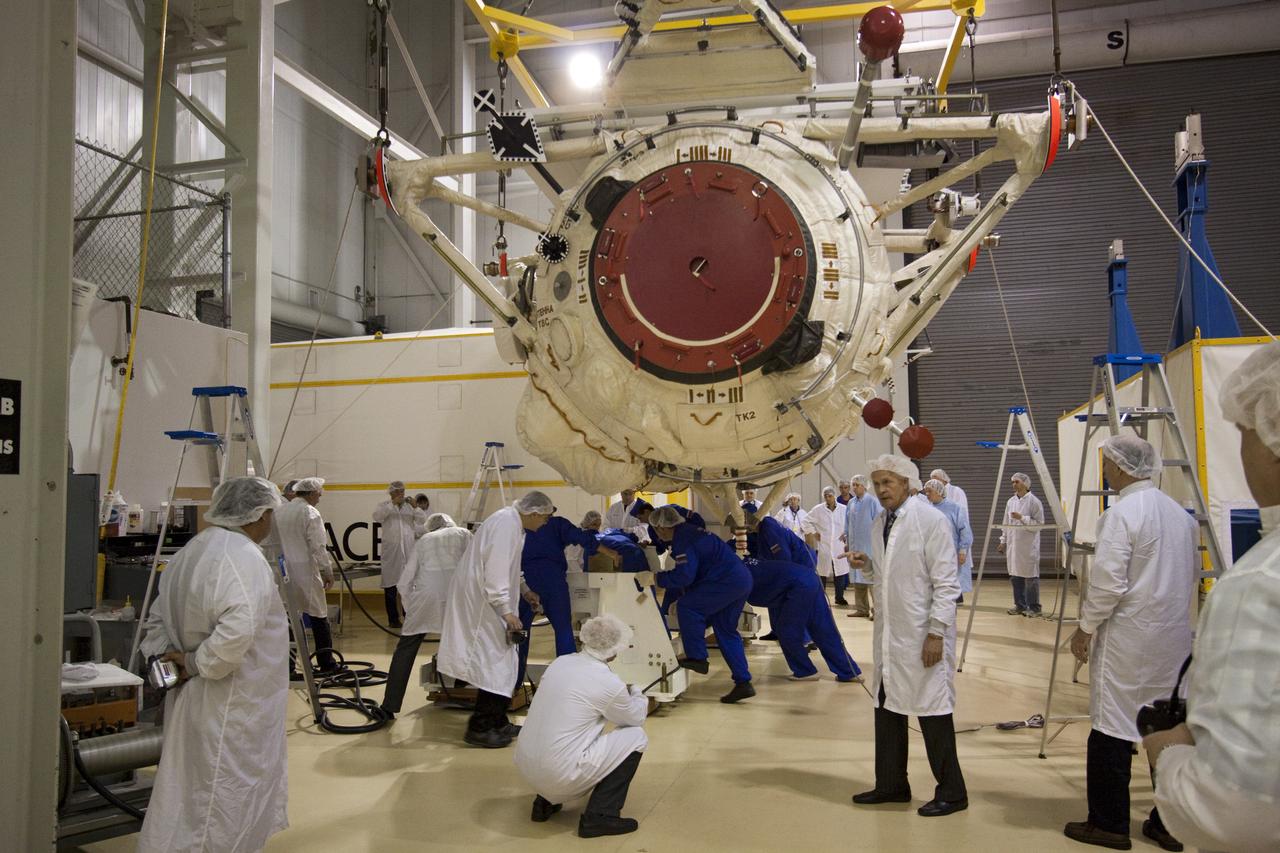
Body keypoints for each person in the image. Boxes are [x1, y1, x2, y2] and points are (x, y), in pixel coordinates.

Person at [1144, 343, 1280, 853]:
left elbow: (1233, 814)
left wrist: (1168, 756)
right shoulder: (1179, 515)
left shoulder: (1260, 584)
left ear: (1270, 441)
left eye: (1244, 435)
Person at [1061, 434, 1199, 851]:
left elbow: (1107, 585)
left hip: (1128, 640)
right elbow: (1191, 574)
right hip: (1172, 640)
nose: (1103, 470)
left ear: (1120, 468)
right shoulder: (1182, 517)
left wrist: (1085, 628)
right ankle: (1168, 823)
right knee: (1167, 729)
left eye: (1106, 463)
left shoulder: (1121, 515)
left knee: (1111, 728)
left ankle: (1109, 823)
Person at [137, 478, 288, 853]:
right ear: (259, 514)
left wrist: (171, 662)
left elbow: (155, 623)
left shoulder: (190, 552)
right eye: (271, 513)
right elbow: (236, 633)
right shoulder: (244, 557)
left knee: (186, 793)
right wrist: (193, 663)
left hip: (191, 699)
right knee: (221, 801)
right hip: (233, 704)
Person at [847, 454, 967, 818]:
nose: (881, 489)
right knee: (886, 706)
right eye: (877, 483)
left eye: (888, 482)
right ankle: (892, 785)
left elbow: (946, 583)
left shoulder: (929, 519)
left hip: (921, 632)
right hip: (890, 633)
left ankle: (953, 791)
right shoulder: (881, 522)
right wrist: (867, 564)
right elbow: (889, 575)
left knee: (932, 710)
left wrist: (936, 633)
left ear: (907, 483)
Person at [514, 614, 651, 838]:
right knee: (636, 736)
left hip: (526, 767)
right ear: (615, 649)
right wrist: (637, 690)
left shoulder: (561, 662)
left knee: (561, 732)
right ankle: (600, 817)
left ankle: (544, 802)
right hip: (558, 774)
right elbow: (634, 718)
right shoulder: (607, 682)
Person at [437, 491, 554, 748]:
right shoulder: (506, 525)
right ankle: (480, 727)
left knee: (504, 661)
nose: (544, 524)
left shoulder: (513, 524)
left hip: (488, 598)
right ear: (533, 513)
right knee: (495, 663)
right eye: (544, 519)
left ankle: (498, 721)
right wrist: (506, 611)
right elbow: (496, 571)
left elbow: (510, 566)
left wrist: (524, 590)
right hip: (483, 603)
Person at [636, 505, 755, 703]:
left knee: (687, 607)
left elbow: (685, 576)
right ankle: (744, 683)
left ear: (662, 527)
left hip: (726, 582)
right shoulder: (690, 532)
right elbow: (696, 572)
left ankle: (697, 657)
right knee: (725, 630)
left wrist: (655, 579)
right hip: (740, 580)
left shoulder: (683, 540)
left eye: (656, 530)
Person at [380, 513, 473, 718]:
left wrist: (410, 610)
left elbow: (404, 582)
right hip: (457, 596)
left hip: (425, 598)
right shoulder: (464, 534)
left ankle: (389, 706)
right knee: (470, 640)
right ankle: (467, 687)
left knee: (406, 648)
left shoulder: (423, 541)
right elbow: (477, 566)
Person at [517, 512, 620, 686]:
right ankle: (569, 682)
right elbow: (583, 537)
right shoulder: (557, 524)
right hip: (553, 583)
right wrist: (612, 554)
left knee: (519, 635)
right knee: (563, 630)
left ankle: (513, 683)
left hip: (524, 583)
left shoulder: (519, 525)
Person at [744, 558, 862, 682]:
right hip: (808, 577)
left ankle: (805, 671)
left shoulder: (733, 573)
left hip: (797, 585)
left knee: (787, 630)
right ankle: (849, 672)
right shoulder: (743, 566)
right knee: (822, 627)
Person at [275, 476, 336, 673]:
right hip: (304, 571)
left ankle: (289, 666)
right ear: (310, 493)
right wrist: (327, 570)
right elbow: (318, 545)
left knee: (290, 616)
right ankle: (326, 663)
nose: (320, 497)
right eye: (319, 493)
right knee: (319, 614)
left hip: (283, 570)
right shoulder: (310, 512)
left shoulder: (281, 510)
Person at [373, 481, 426, 628]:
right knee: (391, 588)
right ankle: (393, 619)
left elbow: (423, 520)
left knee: (408, 586)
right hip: (392, 553)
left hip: (408, 551)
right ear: (391, 493)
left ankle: (409, 617)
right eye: (397, 492)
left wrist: (416, 507)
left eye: (402, 492)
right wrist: (392, 504)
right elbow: (377, 517)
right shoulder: (384, 506)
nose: (401, 494)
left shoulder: (410, 506)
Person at [998, 472, 1044, 615]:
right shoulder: (1010, 502)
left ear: (1025, 483)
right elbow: (1006, 523)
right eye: (1012, 482)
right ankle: (1020, 605)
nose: (1014, 484)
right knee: (1015, 577)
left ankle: (1035, 608)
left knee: (1031, 577)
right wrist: (1003, 541)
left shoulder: (1034, 502)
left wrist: (1022, 518)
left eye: (1016, 482)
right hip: (1014, 546)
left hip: (1028, 546)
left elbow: (1039, 525)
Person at [923, 479, 973, 601]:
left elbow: (964, 530)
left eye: (930, 491)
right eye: (926, 491)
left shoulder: (954, 508)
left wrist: (962, 550)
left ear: (939, 491)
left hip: (951, 552)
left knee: (952, 582)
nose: (927, 494)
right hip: (932, 552)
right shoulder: (925, 509)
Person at [842, 474, 880, 618]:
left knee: (871, 579)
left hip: (869, 547)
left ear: (865, 486)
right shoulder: (851, 503)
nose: (854, 487)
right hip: (854, 545)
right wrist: (845, 538)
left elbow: (879, 522)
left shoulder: (872, 502)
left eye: (857, 484)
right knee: (857, 579)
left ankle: (877, 611)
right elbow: (847, 522)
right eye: (853, 484)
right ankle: (862, 609)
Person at [807, 486, 850, 605]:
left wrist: (846, 533)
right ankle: (821, 596)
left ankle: (839, 597)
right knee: (822, 572)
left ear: (834, 496)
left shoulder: (844, 509)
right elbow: (806, 521)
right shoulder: (818, 509)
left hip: (838, 545)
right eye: (825, 496)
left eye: (830, 496)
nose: (827, 498)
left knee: (840, 572)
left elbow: (850, 523)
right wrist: (813, 532)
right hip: (824, 545)